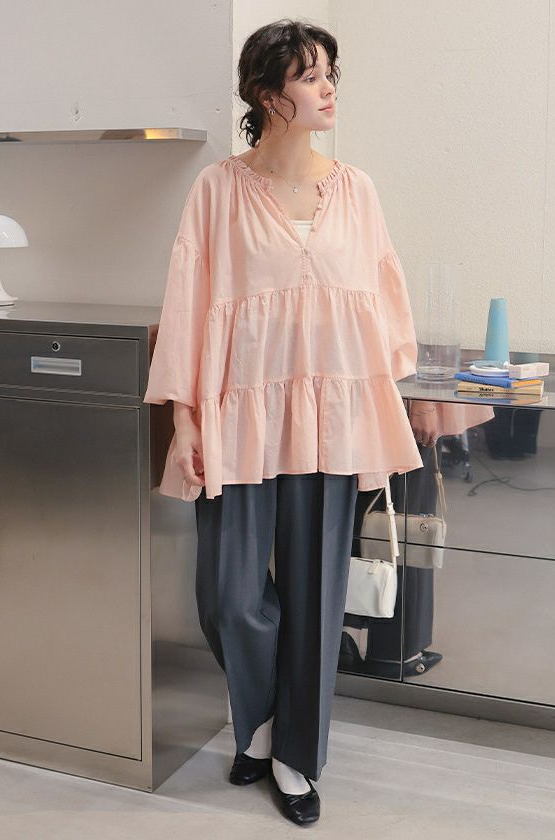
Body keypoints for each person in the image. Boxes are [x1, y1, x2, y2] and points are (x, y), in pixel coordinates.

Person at [143, 18, 425, 826]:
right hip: (239, 415)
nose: (329, 88)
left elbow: (379, 299)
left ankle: (293, 758)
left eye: (331, 72)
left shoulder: (356, 190)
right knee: (228, 595)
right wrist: (186, 421)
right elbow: (189, 305)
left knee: (316, 596)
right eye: (310, 75)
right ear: (268, 95)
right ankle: (264, 719)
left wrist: (390, 404)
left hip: (331, 419)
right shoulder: (218, 189)